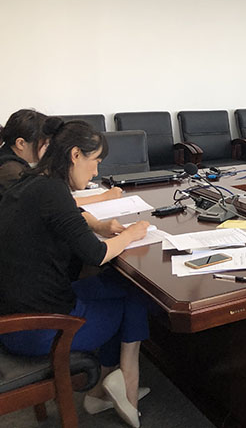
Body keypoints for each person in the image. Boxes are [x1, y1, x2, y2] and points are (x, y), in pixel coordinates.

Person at [0, 120, 151, 427]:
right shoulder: (52, 191)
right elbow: (96, 254)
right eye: (95, 161)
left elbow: (67, 215)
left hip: (19, 309)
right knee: (134, 299)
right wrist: (131, 234)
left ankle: (105, 389)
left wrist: (100, 226)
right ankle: (125, 388)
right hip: (38, 329)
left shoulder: (31, 181)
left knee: (120, 284)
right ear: (75, 155)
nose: (95, 171)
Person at [0, 110, 125, 237]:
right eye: (45, 144)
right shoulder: (10, 170)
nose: (49, 149)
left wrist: (96, 225)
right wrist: (103, 198)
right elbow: (56, 204)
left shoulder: (13, 163)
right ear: (21, 143)